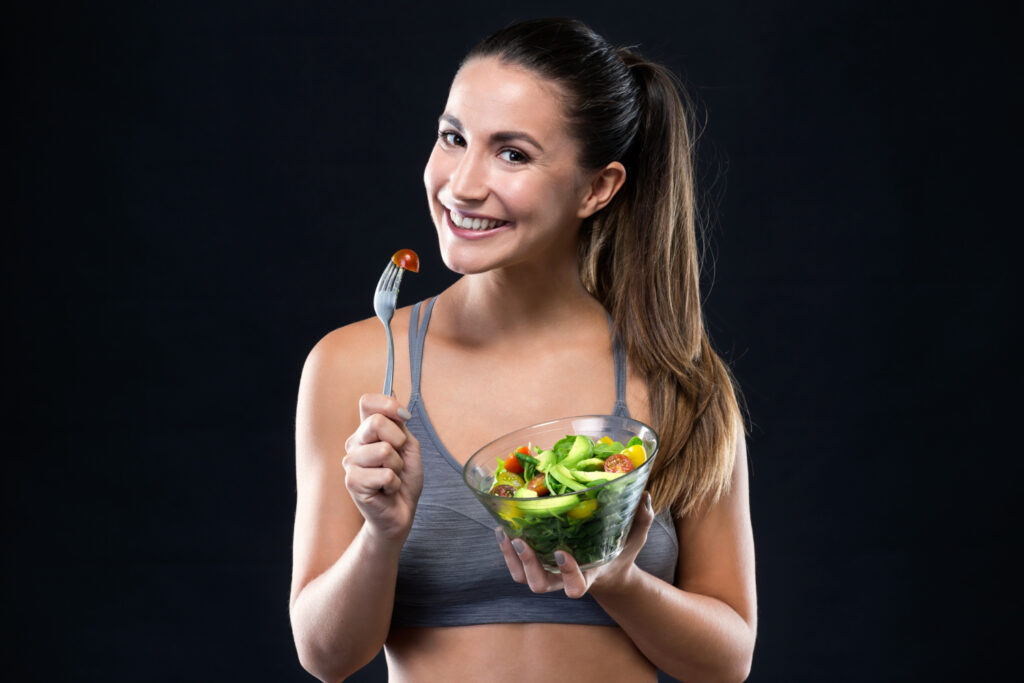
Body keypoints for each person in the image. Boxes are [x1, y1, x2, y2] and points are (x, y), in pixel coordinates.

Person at [289, 17, 756, 683]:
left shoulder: (678, 376)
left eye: (513, 154)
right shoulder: (355, 365)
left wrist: (617, 580)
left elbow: (730, 656)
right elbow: (325, 655)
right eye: (453, 138)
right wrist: (382, 533)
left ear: (598, 188)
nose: (462, 185)